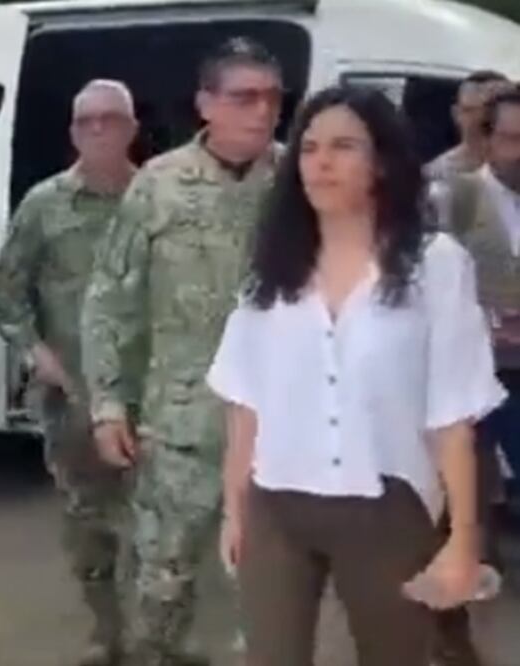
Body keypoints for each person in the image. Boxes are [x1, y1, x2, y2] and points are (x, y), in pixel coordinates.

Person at [208, 85, 504, 666]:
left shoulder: (434, 266)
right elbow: (245, 402)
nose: (321, 162)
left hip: (386, 505)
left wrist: (463, 539)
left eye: (344, 146)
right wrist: (234, 511)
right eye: (309, 147)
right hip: (277, 504)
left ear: (383, 162)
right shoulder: (274, 270)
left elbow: (453, 415)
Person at [82, 37, 284, 666]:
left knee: (274, 584)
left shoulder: (297, 181)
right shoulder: (160, 185)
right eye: (244, 97)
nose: (262, 111)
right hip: (181, 428)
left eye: (272, 98)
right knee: (163, 580)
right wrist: (108, 406)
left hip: (282, 425)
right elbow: (109, 299)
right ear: (206, 104)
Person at [0, 79, 138, 666]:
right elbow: (6, 294)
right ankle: (107, 633)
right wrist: (35, 353)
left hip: (153, 398)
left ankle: (158, 638)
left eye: (110, 118)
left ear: (131, 128)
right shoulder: (44, 205)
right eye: (85, 121)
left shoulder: (156, 199)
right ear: (73, 132)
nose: (97, 129)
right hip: (76, 401)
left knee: (163, 529)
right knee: (90, 525)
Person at [446, 85, 520, 517]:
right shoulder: (457, 198)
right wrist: (487, 320)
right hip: (471, 371)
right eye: (511, 139)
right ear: (488, 140)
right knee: (467, 494)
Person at [426, 71, 511, 183]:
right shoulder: (436, 176)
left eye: (495, 110)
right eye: (473, 110)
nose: (485, 116)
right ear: (456, 114)